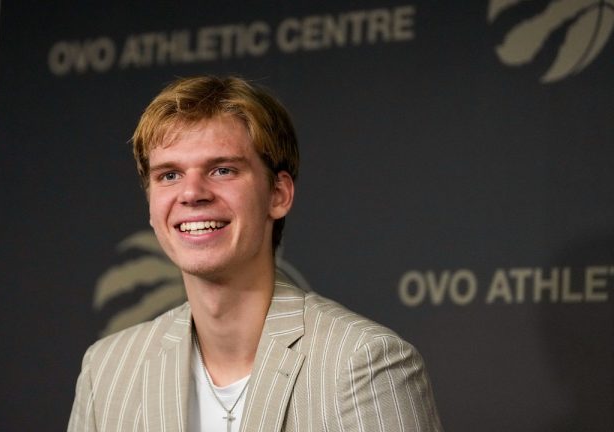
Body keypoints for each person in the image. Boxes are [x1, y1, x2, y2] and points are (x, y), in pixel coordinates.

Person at [67, 76, 443, 431]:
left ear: (278, 195)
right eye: (169, 175)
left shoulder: (363, 362)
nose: (191, 192)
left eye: (223, 170)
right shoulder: (108, 371)